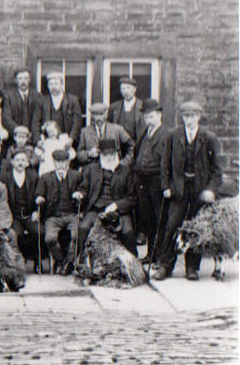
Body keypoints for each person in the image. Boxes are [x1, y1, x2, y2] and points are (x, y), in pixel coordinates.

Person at [155, 101, 222, 281]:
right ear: (182, 117)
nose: (189, 120)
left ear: (198, 117)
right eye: (186, 116)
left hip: (199, 191)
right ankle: (165, 265)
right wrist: (166, 186)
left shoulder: (209, 138)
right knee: (171, 226)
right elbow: (164, 164)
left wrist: (211, 190)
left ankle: (192, 267)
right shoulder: (173, 135)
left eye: (193, 116)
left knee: (196, 229)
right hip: (178, 189)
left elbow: (217, 170)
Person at [78, 139, 137, 256]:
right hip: (96, 208)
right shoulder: (91, 169)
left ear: (117, 155)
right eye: (106, 155)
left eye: (112, 154)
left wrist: (116, 205)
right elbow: (83, 189)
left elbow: (132, 197)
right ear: (101, 155)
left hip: (119, 211)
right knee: (83, 227)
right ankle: (80, 260)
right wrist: (80, 194)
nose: (109, 157)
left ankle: (131, 260)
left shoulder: (125, 171)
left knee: (128, 231)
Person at [35, 149, 83, 275]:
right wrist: (39, 198)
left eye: (64, 162)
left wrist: (80, 194)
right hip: (53, 216)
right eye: (58, 162)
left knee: (77, 235)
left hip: (71, 214)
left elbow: (84, 191)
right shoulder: (45, 177)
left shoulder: (76, 176)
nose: (61, 165)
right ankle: (61, 260)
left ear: (68, 162)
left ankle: (69, 261)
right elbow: (39, 193)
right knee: (50, 239)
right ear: (54, 162)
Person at [134, 99, 170, 265]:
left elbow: (167, 161)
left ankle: (161, 257)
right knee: (148, 218)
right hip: (143, 181)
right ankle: (151, 254)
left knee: (159, 219)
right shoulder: (144, 132)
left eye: (151, 116)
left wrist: (165, 185)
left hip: (157, 182)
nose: (148, 119)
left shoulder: (166, 134)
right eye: (146, 116)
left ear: (159, 115)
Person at [3, 148, 42, 271]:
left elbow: (38, 194)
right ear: (12, 162)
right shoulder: (5, 177)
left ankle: (37, 260)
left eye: (23, 160)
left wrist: (37, 211)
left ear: (27, 162)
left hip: (30, 214)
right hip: (14, 215)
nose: (20, 163)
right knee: (17, 234)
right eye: (17, 160)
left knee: (39, 232)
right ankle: (21, 259)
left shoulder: (33, 176)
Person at [77, 103, 134, 167]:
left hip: (113, 170)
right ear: (92, 116)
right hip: (93, 172)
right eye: (96, 115)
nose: (99, 118)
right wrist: (89, 154)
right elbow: (79, 155)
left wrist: (123, 163)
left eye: (101, 114)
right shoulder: (85, 132)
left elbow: (132, 146)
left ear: (106, 115)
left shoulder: (117, 129)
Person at [40, 72, 83, 148]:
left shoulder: (72, 100)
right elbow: (36, 120)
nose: (53, 87)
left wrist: (71, 138)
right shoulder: (42, 100)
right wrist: (40, 138)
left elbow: (77, 122)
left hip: (67, 140)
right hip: (48, 140)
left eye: (56, 84)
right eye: (51, 84)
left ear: (62, 85)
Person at [2, 68, 41, 144]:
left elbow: (37, 118)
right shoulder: (8, 96)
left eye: (26, 78)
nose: (23, 81)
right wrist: (19, 131)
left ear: (29, 80)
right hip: (15, 138)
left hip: (33, 137)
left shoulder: (37, 96)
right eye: (20, 78)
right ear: (16, 80)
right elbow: (6, 118)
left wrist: (35, 136)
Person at [107, 77, 146, 144]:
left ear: (134, 89)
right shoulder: (114, 107)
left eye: (128, 88)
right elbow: (109, 126)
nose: (126, 91)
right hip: (119, 145)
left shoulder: (143, 106)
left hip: (137, 144)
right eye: (123, 88)